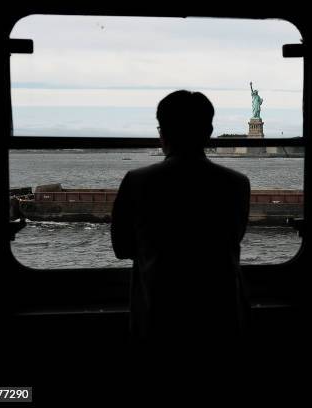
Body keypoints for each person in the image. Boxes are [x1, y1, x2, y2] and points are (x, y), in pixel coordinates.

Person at [111, 90, 251, 342]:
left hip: (158, 313)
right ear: (208, 132)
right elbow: (233, 239)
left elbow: (122, 248)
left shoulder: (137, 181)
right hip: (221, 314)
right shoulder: (237, 183)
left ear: (162, 133)